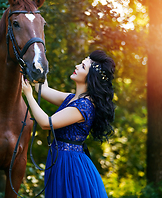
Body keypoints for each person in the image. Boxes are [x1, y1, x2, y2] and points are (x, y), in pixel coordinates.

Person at [22, 50, 115, 198]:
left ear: (90, 78)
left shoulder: (84, 106)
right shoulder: (73, 99)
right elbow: (42, 89)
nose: (77, 66)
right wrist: (39, 64)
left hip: (71, 166)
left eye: (83, 66)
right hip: (61, 161)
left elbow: (47, 123)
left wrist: (28, 95)